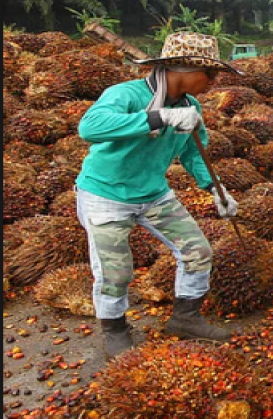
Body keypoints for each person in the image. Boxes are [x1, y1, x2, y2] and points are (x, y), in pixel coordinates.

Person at [75, 31, 244, 358]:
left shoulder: (190, 107)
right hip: (105, 195)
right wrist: (158, 116)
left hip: (153, 194)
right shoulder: (127, 95)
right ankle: (114, 331)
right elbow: (90, 127)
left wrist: (216, 189)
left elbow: (195, 154)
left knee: (197, 250)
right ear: (181, 69)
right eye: (209, 73)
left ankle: (186, 318)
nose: (213, 81)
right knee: (116, 271)